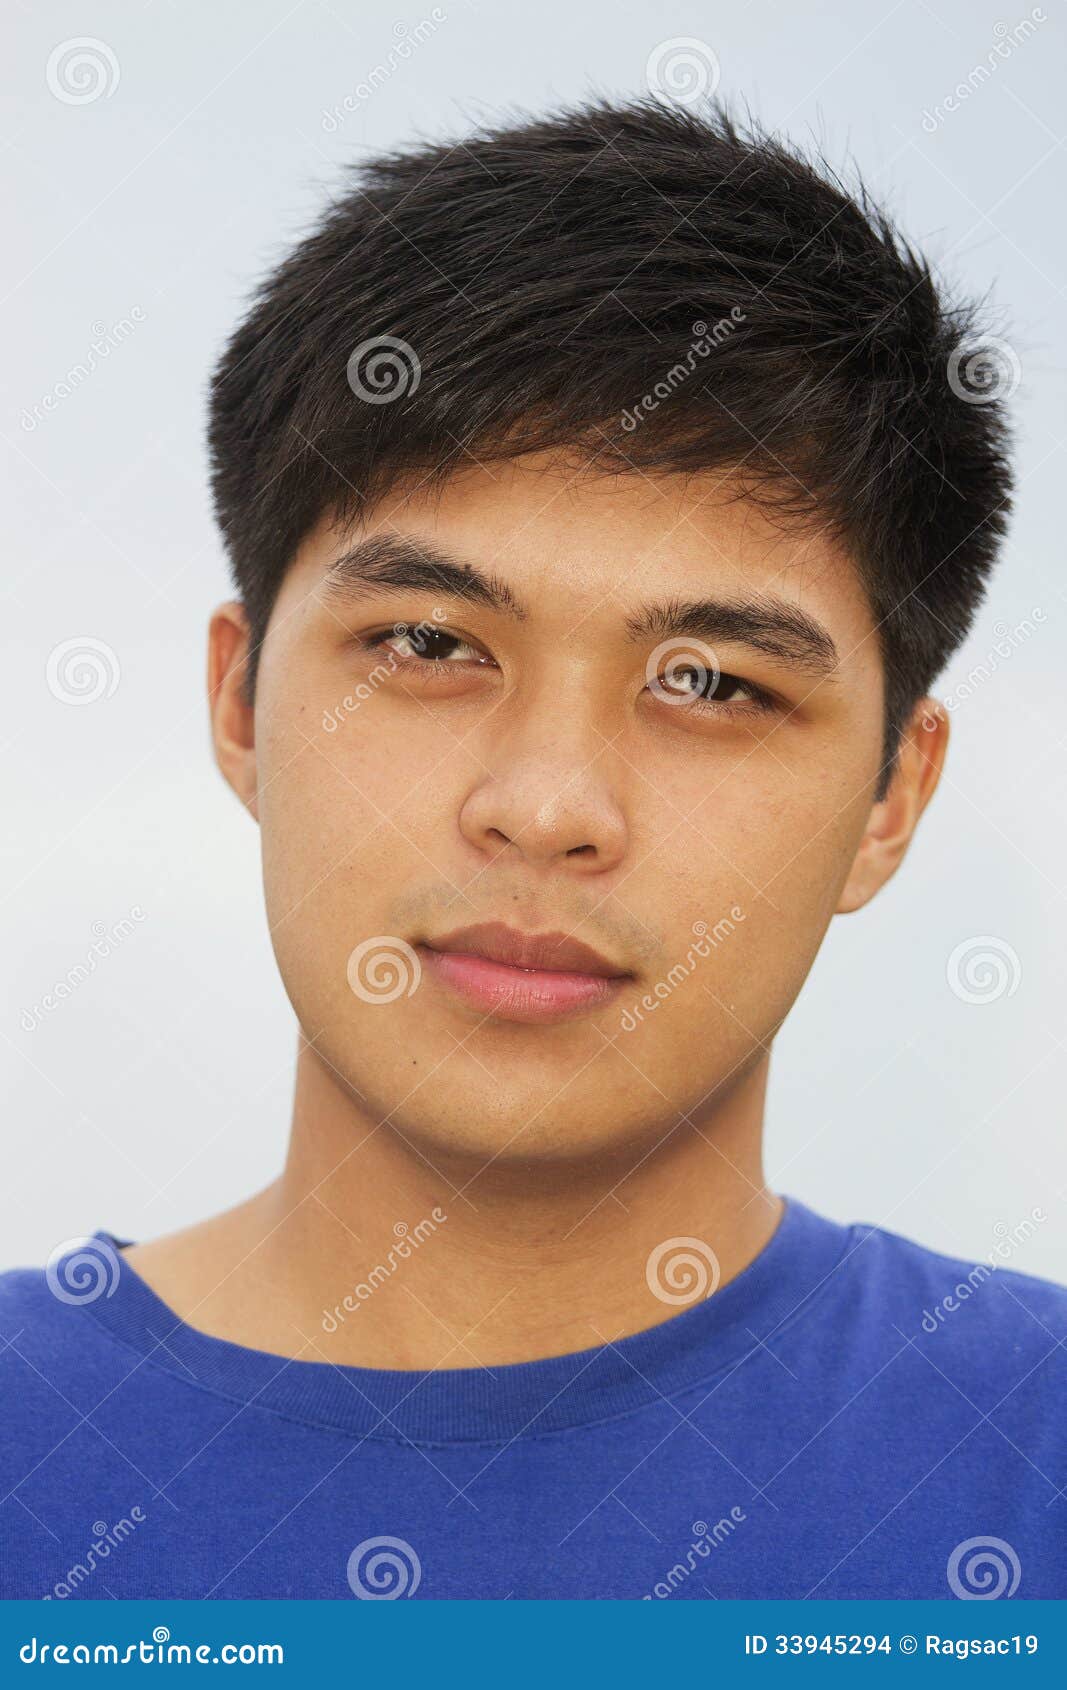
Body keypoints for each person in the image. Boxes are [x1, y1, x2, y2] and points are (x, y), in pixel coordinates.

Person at [2, 97, 1063, 1602]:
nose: (549, 803)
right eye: (429, 641)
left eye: (711, 681)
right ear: (239, 700)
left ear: (893, 793)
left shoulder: (1033, 1459)